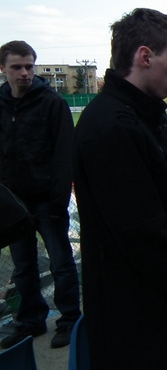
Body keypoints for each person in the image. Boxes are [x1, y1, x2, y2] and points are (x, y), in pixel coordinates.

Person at [72, 8, 167, 368]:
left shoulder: (146, 116)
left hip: (164, 315)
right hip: (137, 326)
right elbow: (144, 237)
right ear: (145, 57)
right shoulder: (111, 127)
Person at [0, 41, 81, 349]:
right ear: (3, 69)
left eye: (29, 66)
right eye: (17, 67)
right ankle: (31, 320)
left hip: (48, 201)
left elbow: (64, 156)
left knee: (61, 263)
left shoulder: (52, 103)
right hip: (14, 204)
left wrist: (59, 201)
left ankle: (70, 320)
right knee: (23, 266)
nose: (24, 72)